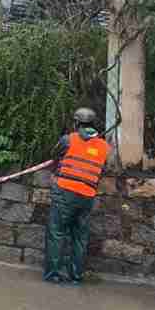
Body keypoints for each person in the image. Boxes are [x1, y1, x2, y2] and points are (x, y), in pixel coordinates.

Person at [44, 107, 111, 285]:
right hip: (87, 196)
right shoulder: (104, 146)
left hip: (65, 193)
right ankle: (76, 276)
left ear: (76, 123)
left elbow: (54, 155)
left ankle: (54, 275)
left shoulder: (68, 139)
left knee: (56, 233)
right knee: (80, 237)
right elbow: (103, 168)